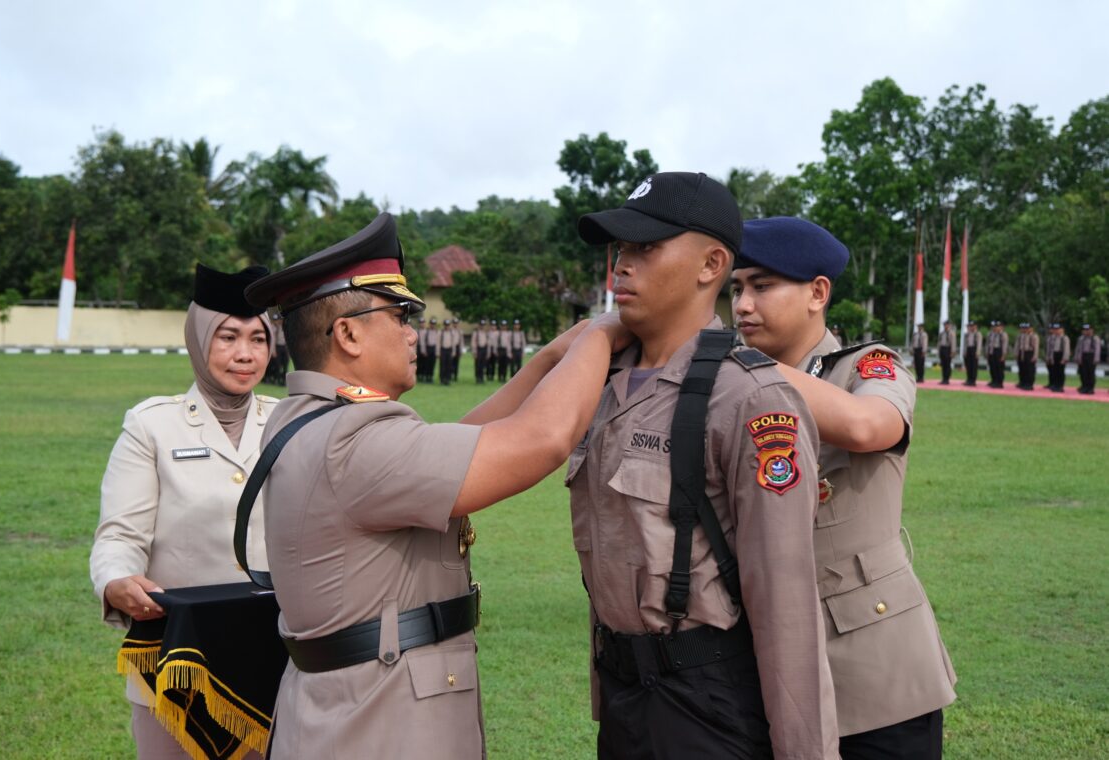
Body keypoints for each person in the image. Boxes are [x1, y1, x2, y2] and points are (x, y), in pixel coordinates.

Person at [242, 212, 630, 758]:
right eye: (398, 316)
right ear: (348, 333)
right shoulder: (352, 440)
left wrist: (548, 359)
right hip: (380, 723)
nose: (411, 332)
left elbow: (464, 441)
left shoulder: (306, 417)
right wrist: (602, 332)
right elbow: (541, 439)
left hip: (355, 707)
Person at [570, 172, 838, 759]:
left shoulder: (747, 397)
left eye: (645, 247)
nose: (622, 265)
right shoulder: (601, 381)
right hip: (625, 696)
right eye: (620, 249)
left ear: (711, 264)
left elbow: (784, 595)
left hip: (705, 702)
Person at [734, 217, 957, 760]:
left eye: (762, 286)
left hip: (874, 664)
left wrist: (751, 368)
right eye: (735, 289)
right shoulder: (733, 384)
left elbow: (866, 427)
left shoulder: (867, 366)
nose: (742, 305)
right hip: (765, 663)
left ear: (817, 292)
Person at [90, 263, 278, 758]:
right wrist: (116, 581)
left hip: (277, 663)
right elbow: (119, 536)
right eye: (228, 337)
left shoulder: (290, 421)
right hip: (177, 669)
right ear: (198, 340)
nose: (245, 354)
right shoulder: (152, 426)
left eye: (258, 339)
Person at [1044, 323, 1070, 392]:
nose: (1056, 331)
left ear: (1062, 330)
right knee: (1055, 371)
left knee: (1060, 372)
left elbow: (1066, 349)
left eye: (1057, 329)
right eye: (1055, 329)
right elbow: (1051, 349)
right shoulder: (1054, 338)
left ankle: (1060, 386)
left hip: (1061, 355)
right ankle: (1055, 385)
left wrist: (1064, 359)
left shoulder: (1064, 338)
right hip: (1054, 355)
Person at [1076, 323, 1101, 394]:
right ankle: (1084, 387)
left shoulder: (1095, 338)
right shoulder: (1081, 338)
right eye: (1084, 330)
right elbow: (1079, 349)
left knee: (1091, 373)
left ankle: (1090, 388)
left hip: (1091, 356)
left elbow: (1097, 350)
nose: (1086, 331)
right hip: (1083, 356)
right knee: (1083, 373)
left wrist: (1096, 359)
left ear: (1092, 330)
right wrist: (1078, 358)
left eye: (1087, 330)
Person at [1014, 322, 1040, 391]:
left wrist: (1035, 356)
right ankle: (1023, 382)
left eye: (1026, 328)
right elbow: (1017, 345)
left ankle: (1029, 384)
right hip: (1022, 353)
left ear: (1031, 328)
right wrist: (1016, 354)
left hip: (1029, 353)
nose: (1024, 330)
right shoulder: (1021, 336)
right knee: (1022, 368)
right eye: (1023, 328)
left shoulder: (1034, 336)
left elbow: (1036, 347)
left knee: (1030, 369)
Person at [986, 320, 1009, 388]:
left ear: (1001, 327)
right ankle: (994, 380)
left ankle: (999, 382)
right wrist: (987, 352)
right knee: (993, 367)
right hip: (992, 351)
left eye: (997, 326)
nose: (995, 328)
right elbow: (988, 344)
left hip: (999, 351)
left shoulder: (1003, 334)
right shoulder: (991, 334)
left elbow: (1005, 345)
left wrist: (1003, 355)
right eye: (994, 326)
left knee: (999, 368)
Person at [962, 320, 983, 387]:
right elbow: (965, 344)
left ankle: (973, 380)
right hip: (968, 350)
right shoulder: (967, 334)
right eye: (970, 326)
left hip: (974, 350)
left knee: (974, 366)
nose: (970, 327)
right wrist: (964, 352)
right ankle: (968, 379)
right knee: (968, 366)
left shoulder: (978, 334)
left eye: (972, 326)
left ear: (975, 326)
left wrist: (978, 352)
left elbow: (979, 344)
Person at [937, 320, 957, 385]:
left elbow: (953, 343)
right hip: (942, 349)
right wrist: (939, 350)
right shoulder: (942, 333)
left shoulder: (951, 333)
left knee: (947, 364)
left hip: (948, 349)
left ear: (949, 325)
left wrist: (953, 351)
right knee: (943, 364)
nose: (945, 326)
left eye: (946, 324)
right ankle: (943, 378)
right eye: (944, 325)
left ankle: (947, 379)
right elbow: (939, 342)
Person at [471, 318, 490, 383]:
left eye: (483, 325)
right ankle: (478, 378)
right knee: (478, 365)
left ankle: (482, 378)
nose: (482, 326)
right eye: (481, 325)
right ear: (479, 325)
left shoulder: (486, 333)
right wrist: (474, 352)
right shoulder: (476, 333)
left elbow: (488, 343)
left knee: (483, 365)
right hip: (478, 350)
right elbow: (473, 343)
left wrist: (488, 352)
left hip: (484, 350)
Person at [439, 318, 455, 385]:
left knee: (449, 365)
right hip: (443, 350)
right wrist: (438, 352)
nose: (447, 326)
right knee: (443, 365)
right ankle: (442, 379)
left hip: (449, 350)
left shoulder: (451, 333)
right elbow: (438, 343)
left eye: (448, 325)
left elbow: (453, 343)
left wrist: (453, 351)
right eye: (446, 325)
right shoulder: (441, 332)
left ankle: (447, 379)